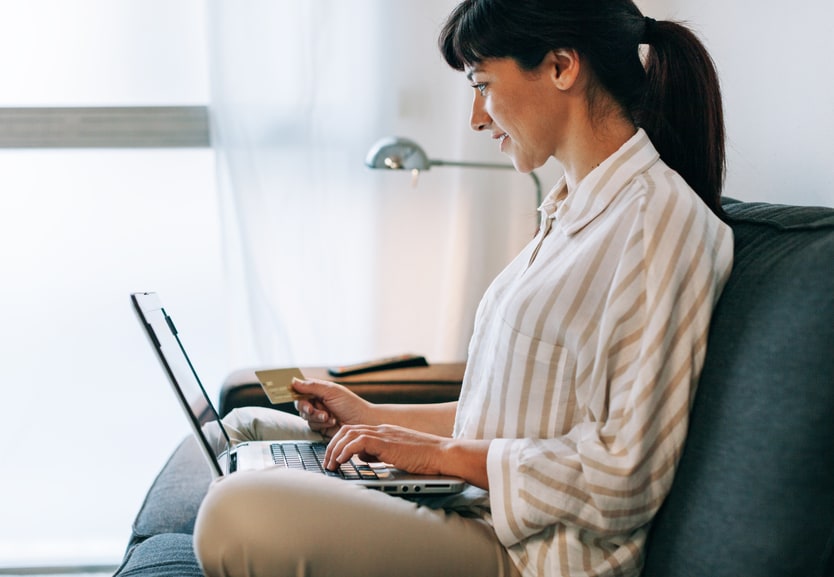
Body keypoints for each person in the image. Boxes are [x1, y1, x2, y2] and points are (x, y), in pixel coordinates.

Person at [193, 1, 734, 575]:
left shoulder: (656, 225)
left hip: (532, 553)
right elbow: (510, 419)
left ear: (561, 67)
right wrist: (368, 415)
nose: (477, 117)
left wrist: (433, 454)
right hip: (476, 506)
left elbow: (623, 476)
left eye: (482, 84)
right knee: (245, 428)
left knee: (236, 511)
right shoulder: (572, 210)